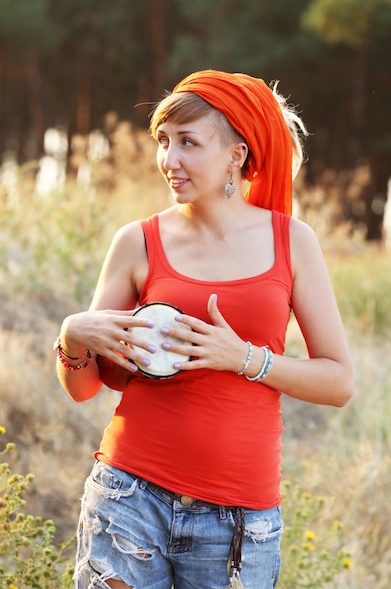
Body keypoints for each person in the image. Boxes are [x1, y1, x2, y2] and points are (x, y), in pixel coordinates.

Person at [56, 69, 354, 589]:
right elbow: (82, 389)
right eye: (164, 142)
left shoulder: (293, 242)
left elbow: (338, 382)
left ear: (237, 154)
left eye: (188, 143)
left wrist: (243, 357)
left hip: (238, 519)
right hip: (129, 494)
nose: (169, 161)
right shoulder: (137, 242)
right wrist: (71, 334)